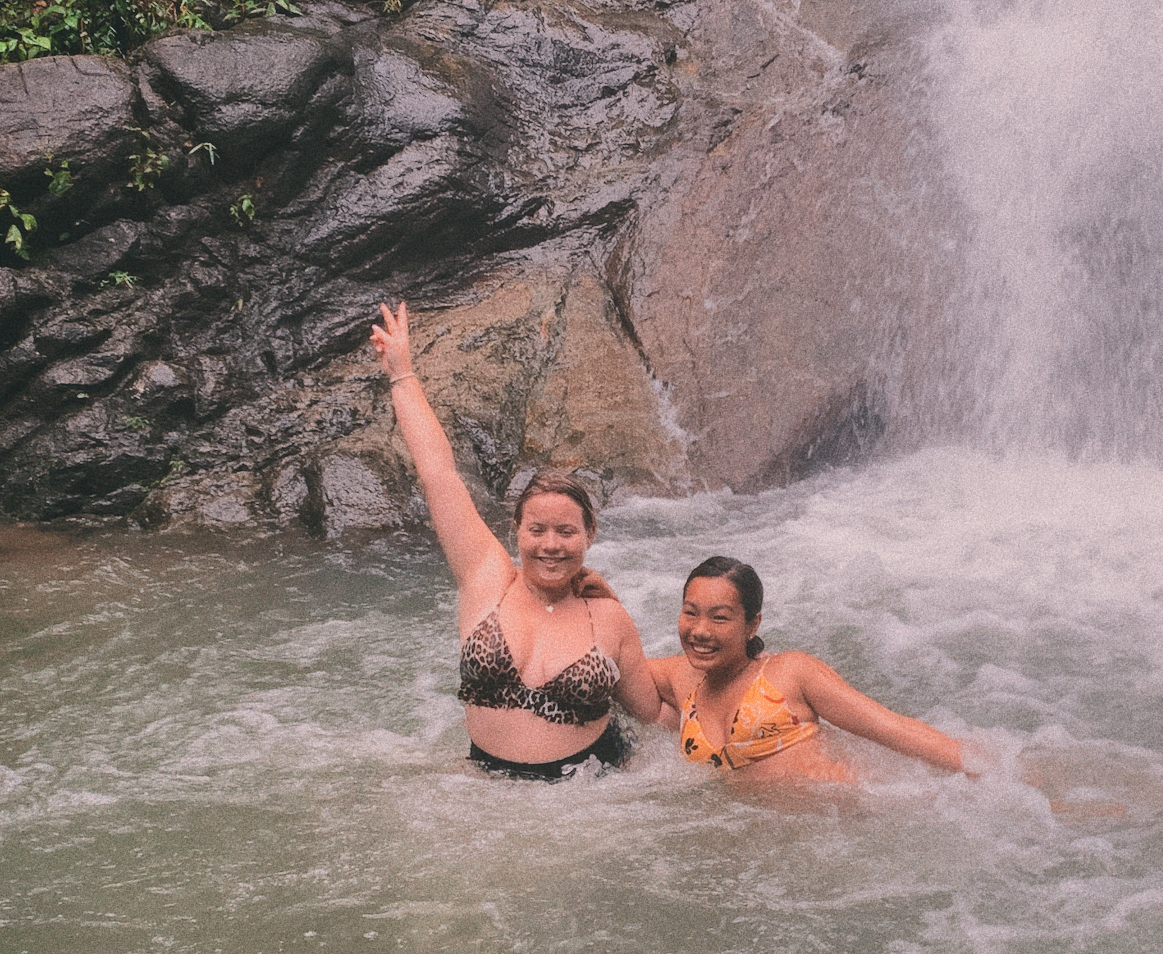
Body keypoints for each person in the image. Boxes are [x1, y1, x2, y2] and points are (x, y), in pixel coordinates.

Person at [370, 300, 662, 778]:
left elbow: (653, 717)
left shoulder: (609, 617)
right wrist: (402, 375)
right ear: (516, 531)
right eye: (537, 530)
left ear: (589, 534)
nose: (551, 544)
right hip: (488, 782)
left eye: (566, 531)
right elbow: (438, 474)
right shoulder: (486, 576)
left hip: (592, 792)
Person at [649, 556, 972, 784]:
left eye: (720, 618)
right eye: (690, 613)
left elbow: (892, 729)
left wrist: (986, 773)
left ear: (752, 624)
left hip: (851, 819)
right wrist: (601, 595)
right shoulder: (682, 678)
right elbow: (610, 659)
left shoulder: (790, 673)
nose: (700, 630)